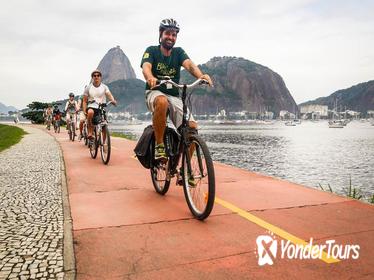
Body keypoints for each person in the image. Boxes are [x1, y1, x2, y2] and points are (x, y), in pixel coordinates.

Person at [140, 18, 213, 161]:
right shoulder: (151, 50)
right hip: (155, 92)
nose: (171, 37)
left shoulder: (179, 52)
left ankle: (184, 168)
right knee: (162, 102)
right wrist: (150, 77)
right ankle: (159, 146)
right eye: (168, 33)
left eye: (174, 35)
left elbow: (190, 65)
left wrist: (201, 76)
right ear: (161, 34)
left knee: (192, 127)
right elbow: (146, 67)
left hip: (174, 95)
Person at [82, 70, 117, 140]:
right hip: (91, 106)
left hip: (101, 107)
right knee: (90, 112)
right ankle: (90, 132)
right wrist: (84, 110)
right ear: (92, 77)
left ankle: (104, 144)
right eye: (94, 75)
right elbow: (85, 101)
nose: (96, 77)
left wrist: (113, 100)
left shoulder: (104, 87)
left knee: (104, 125)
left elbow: (109, 94)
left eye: (98, 75)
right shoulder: (88, 88)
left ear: (100, 77)